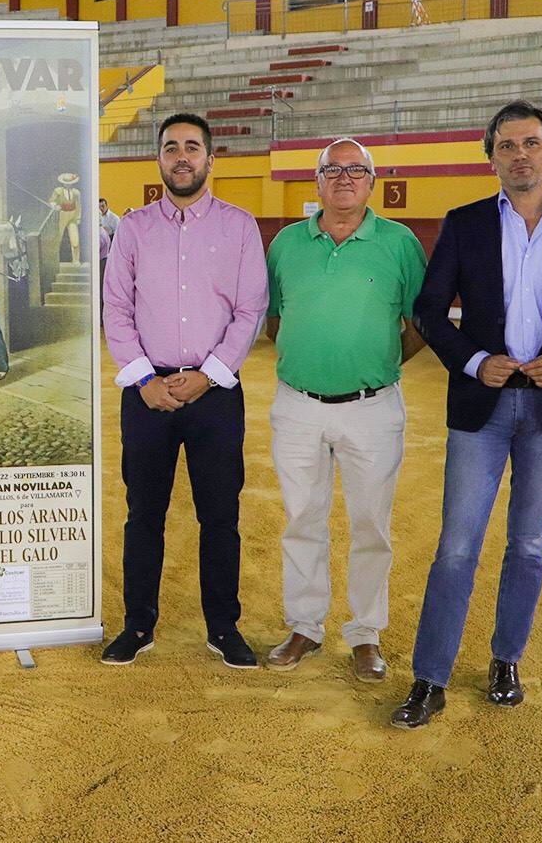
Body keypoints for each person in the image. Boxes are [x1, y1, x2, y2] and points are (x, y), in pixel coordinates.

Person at [391, 101, 542, 729]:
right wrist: (473, 362)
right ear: (491, 158)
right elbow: (430, 310)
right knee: (456, 546)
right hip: (482, 403)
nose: (519, 155)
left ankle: (506, 660)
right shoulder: (464, 222)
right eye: (506, 146)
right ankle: (430, 677)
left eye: (530, 143)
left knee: (528, 543)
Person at [100, 112, 269, 668]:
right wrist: (143, 379)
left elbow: (250, 310)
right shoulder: (132, 228)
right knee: (142, 514)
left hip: (214, 393)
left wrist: (208, 375)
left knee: (219, 515)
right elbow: (116, 308)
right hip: (146, 393)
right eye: (171, 147)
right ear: (159, 159)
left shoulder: (239, 226)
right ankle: (137, 626)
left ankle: (223, 627)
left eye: (192, 147)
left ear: (210, 159)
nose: (181, 157)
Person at [262, 138, 428, 683]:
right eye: (332, 170)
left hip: (372, 408)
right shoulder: (286, 243)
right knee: (301, 519)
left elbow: (420, 323)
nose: (343, 178)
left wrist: (377, 364)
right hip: (298, 405)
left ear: (372, 182)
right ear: (317, 181)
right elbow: (274, 320)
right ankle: (305, 626)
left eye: (356, 170)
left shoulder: (400, 243)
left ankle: (365, 633)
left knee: (372, 524)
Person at [48, 172, 82, 262]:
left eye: (69, 183)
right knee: (58, 238)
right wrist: (56, 206)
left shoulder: (76, 192)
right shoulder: (58, 191)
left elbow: (78, 205)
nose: (67, 185)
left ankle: (76, 260)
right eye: (66, 183)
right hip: (62, 215)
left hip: (72, 216)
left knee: (75, 239)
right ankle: (53, 260)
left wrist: (78, 217)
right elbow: (51, 201)